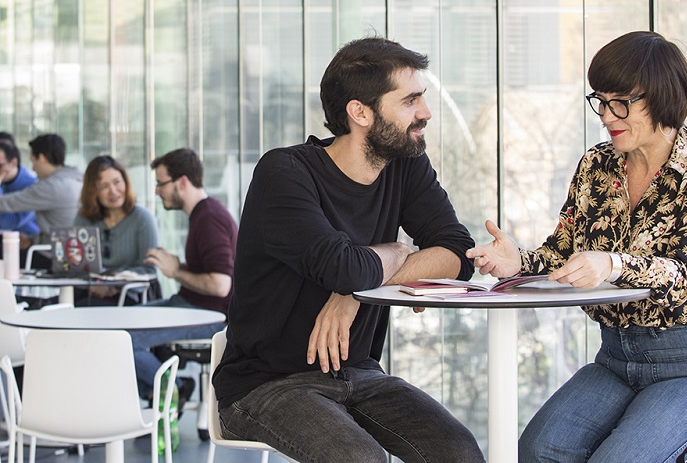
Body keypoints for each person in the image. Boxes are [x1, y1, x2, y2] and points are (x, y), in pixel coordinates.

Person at [467, 31, 687, 463]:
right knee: (537, 451)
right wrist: (517, 261)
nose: (607, 115)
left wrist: (613, 263)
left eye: (621, 103)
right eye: (600, 100)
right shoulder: (596, 165)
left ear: (661, 97)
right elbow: (563, 253)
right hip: (615, 359)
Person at [213, 37, 484, 463]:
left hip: (360, 374)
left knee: (458, 452)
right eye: (410, 100)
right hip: (266, 383)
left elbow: (457, 252)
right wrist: (394, 251)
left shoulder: (405, 165)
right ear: (360, 112)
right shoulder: (284, 172)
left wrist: (354, 292)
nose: (426, 113)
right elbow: (345, 267)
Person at [129, 148, 235, 404]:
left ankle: (174, 389)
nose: (157, 191)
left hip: (211, 316)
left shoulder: (209, 218)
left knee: (122, 339)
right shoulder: (205, 213)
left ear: (183, 182)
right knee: (123, 325)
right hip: (193, 307)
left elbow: (221, 284)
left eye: (161, 183)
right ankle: (164, 392)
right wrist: (180, 266)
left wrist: (176, 272)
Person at [73, 155, 159, 306]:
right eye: (103, 186)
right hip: (89, 292)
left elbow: (149, 270)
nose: (113, 191)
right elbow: (76, 265)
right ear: (93, 191)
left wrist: (113, 285)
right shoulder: (84, 219)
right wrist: (96, 286)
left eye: (117, 182)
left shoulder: (143, 219)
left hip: (130, 296)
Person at [0, 134, 83, 256]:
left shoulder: (50, 187)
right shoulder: (76, 178)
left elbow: (5, 204)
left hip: (55, 256)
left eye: (33, 161)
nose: (33, 168)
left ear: (42, 158)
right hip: (71, 251)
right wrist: (33, 240)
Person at [0, 138, 39, 245]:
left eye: (0, 166)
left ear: (13, 162)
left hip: (25, 241)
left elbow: (9, 223)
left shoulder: (32, 185)